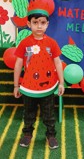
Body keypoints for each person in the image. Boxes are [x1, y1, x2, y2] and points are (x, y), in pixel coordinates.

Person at [14, 10, 64, 149]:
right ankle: (27, 134)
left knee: (49, 114)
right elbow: (18, 64)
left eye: (42, 23)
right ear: (28, 24)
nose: (39, 26)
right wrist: (16, 85)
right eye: (35, 23)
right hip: (28, 87)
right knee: (28, 113)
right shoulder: (24, 43)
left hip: (47, 86)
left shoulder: (52, 43)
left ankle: (51, 135)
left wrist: (61, 82)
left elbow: (58, 62)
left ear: (47, 24)